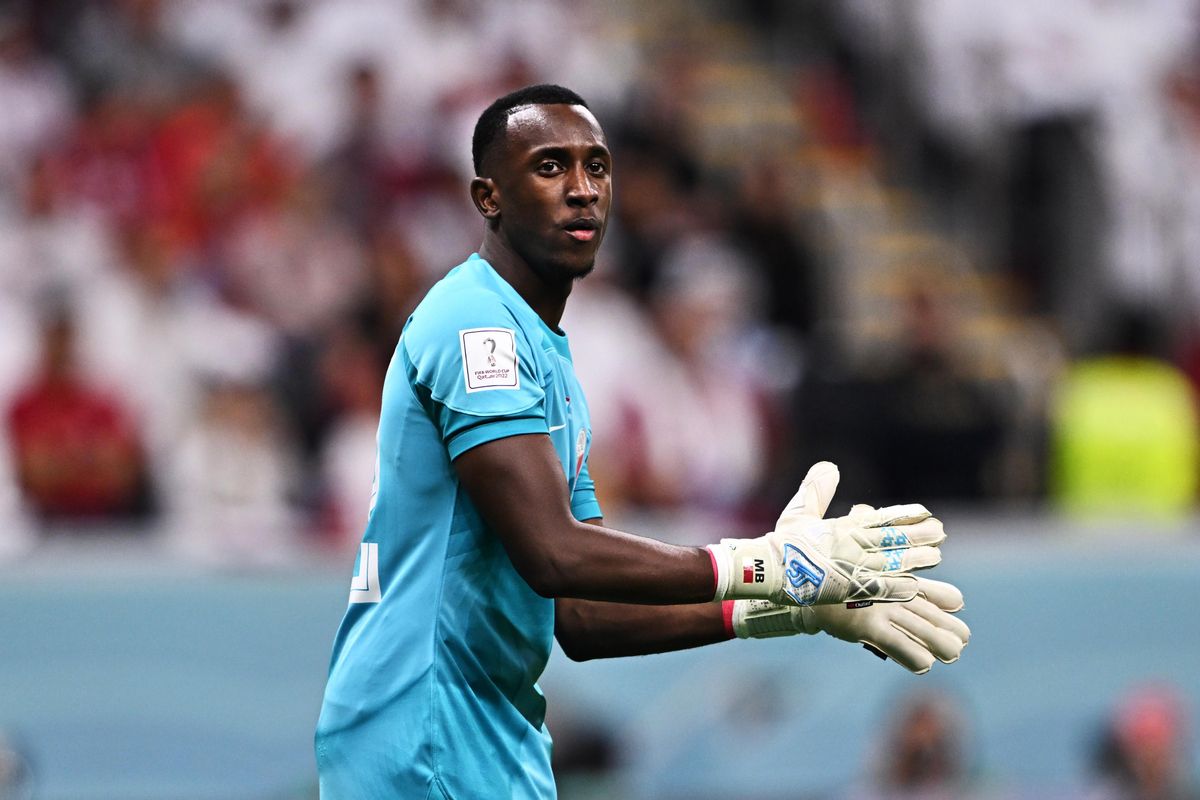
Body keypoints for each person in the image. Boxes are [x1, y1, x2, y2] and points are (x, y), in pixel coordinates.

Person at [315, 84, 971, 799]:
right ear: (488, 196)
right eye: (549, 166)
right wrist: (765, 563)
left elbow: (585, 617)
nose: (582, 190)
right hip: (424, 735)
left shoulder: (546, 354)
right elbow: (554, 553)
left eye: (596, 167)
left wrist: (787, 605)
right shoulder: (478, 327)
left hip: (484, 731)